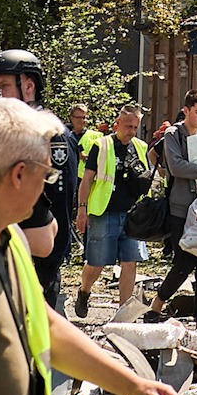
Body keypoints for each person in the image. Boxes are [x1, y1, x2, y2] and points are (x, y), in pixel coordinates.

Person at [0, 99, 185, 395]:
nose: (45, 191)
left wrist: (133, 386)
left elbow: (45, 324)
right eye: (46, 177)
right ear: (18, 175)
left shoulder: (8, 236)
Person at [0, 50, 76, 310]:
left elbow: (60, 199)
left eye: (3, 86)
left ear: (28, 86)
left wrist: (51, 261)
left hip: (39, 256)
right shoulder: (2, 132)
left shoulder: (51, 134)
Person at [146, 89, 197, 326]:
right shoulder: (174, 134)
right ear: (186, 110)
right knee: (183, 263)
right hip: (180, 209)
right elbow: (176, 166)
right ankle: (157, 305)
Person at [74, 104, 153, 318]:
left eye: (135, 127)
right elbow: (87, 180)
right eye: (128, 126)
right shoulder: (101, 146)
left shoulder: (141, 148)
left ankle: (122, 315)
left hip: (132, 215)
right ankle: (84, 291)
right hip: (104, 213)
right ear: (117, 124)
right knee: (96, 263)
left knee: (130, 262)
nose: (131, 131)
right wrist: (82, 210)